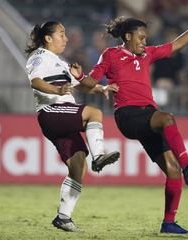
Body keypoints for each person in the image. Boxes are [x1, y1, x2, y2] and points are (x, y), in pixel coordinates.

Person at [78, 3, 188, 234]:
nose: (144, 42)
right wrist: (81, 77)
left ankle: (168, 223)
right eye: (140, 38)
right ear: (127, 37)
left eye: (145, 38)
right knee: (167, 119)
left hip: (147, 116)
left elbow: (175, 45)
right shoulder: (110, 55)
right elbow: (89, 83)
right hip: (128, 115)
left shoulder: (147, 54)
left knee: (172, 171)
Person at [24, 21, 120, 232]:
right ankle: (99, 157)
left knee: (78, 166)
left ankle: (63, 217)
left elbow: (82, 87)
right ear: (48, 39)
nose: (65, 38)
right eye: (61, 34)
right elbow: (36, 81)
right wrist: (56, 91)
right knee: (94, 113)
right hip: (51, 112)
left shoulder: (60, 63)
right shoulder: (40, 56)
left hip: (62, 116)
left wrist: (102, 88)